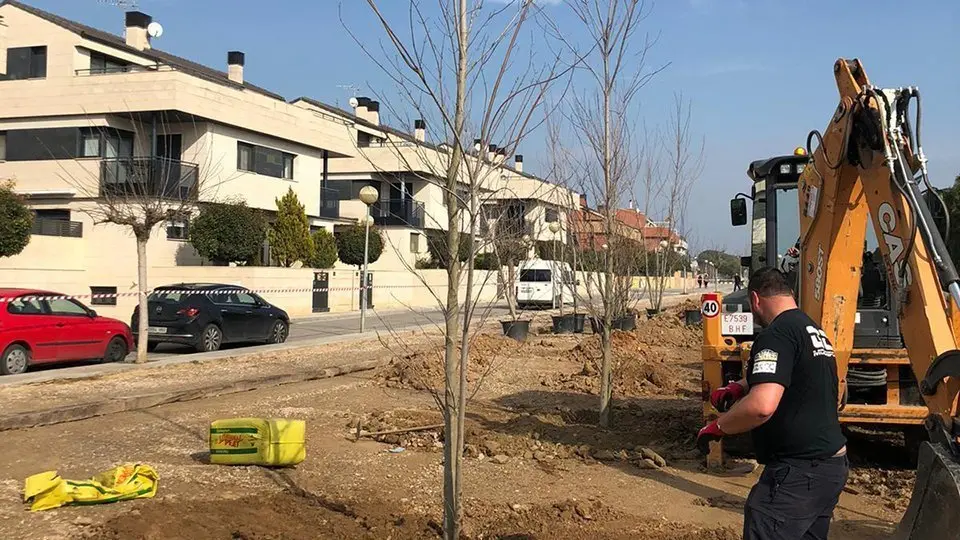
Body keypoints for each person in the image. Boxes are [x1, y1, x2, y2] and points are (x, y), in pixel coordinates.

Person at [697, 267, 848, 540]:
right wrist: (738, 386)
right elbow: (788, 372)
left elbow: (761, 406)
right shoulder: (811, 329)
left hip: (798, 474)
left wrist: (718, 427)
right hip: (830, 468)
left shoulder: (776, 334)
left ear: (755, 299)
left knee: (764, 521)